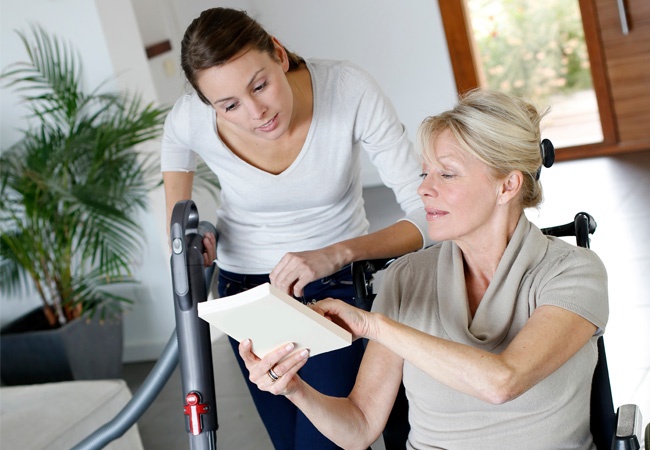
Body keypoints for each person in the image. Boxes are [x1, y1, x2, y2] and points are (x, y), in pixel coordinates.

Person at [240, 89, 609, 449]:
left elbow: (502, 382)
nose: (424, 190)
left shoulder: (573, 272)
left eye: (446, 175)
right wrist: (294, 389)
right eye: (424, 174)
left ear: (508, 185)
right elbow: (360, 426)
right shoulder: (407, 277)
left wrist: (375, 326)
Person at [161, 7, 430, 449]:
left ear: (280, 55)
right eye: (229, 106)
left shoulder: (348, 89)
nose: (256, 112)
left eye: (260, 85)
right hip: (244, 296)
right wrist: (188, 243)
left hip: (334, 289)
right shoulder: (192, 117)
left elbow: (427, 217)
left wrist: (339, 251)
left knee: (329, 440)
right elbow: (174, 151)